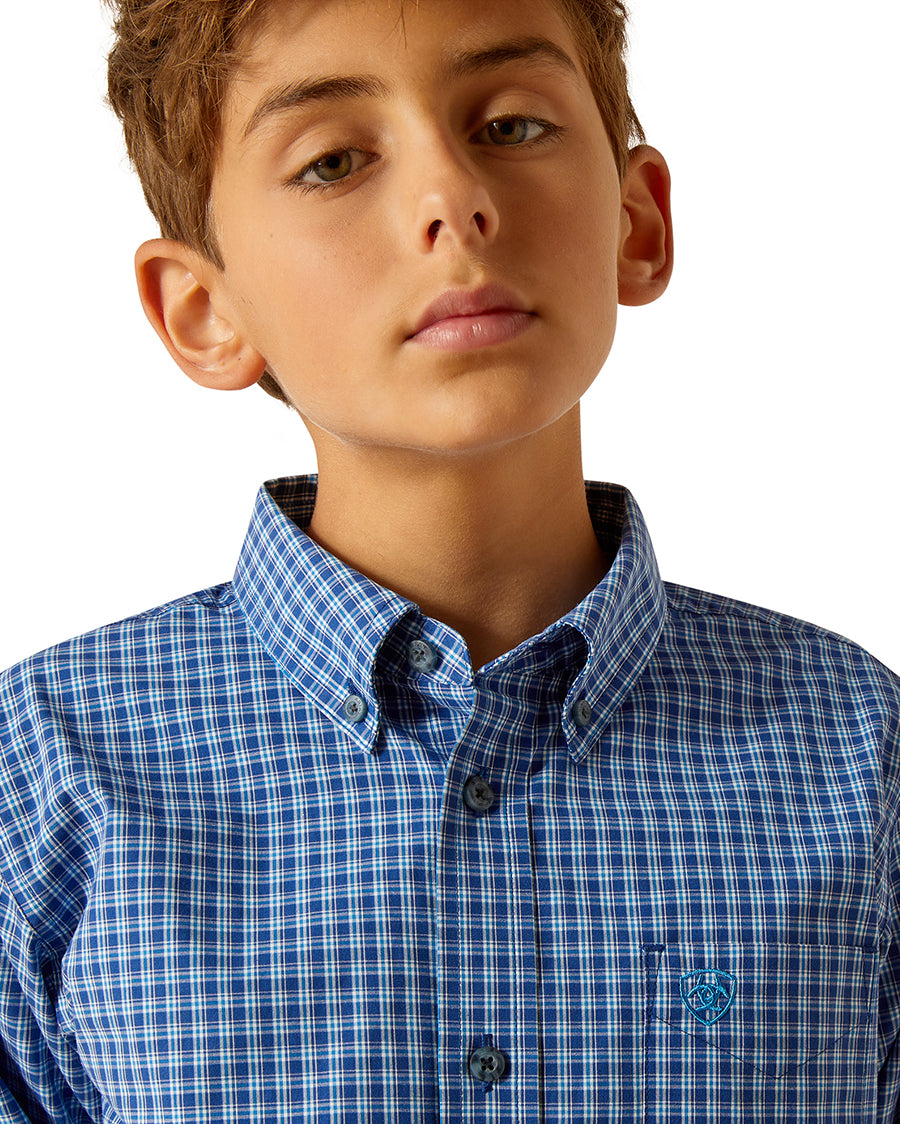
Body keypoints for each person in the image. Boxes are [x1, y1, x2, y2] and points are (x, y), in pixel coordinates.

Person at [0, 0, 897, 1120]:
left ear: (638, 221)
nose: (453, 200)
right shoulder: (42, 777)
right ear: (203, 309)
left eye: (510, 126)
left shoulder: (859, 756)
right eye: (333, 162)